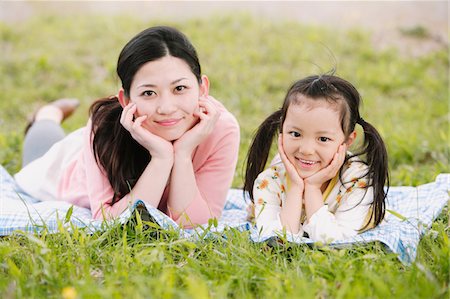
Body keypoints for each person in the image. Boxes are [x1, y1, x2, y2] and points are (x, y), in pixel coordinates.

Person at [14, 26, 240, 227]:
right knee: (41, 146)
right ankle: (47, 114)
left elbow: (193, 226)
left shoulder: (221, 129)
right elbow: (113, 225)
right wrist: (161, 158)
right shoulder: (103, 126)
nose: (167, 108)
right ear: (126, 100)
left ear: (202, 89)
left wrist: (181, 154)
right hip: (66, 168)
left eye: (179, 88)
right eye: (149, 93)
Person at [243, 74, 389, 242]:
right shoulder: (270, 181)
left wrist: (312, 189)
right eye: (295, 134)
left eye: (323, 139)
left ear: (347, 141)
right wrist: (296, 188)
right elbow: (277, 241)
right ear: (282, 130)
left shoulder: (358, 180)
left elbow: (333, 241)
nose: (306, 150)